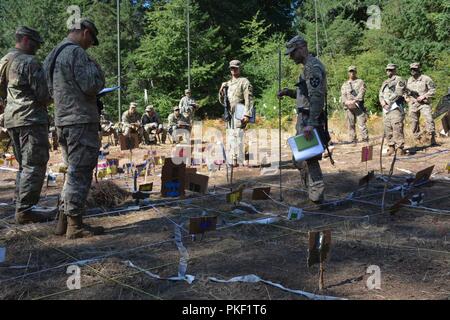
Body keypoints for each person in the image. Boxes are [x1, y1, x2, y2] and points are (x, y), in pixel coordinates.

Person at [44, 18, 105, 239]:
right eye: (91, 40)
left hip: (62, 120)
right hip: (80, 120)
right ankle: (75, 225)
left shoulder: (53, 54)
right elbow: (91, 85)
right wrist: (97, 69)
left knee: (71, 172)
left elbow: (46, 89)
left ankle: (62, 223)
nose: (90, 45)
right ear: (86, 33)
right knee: (80, 173)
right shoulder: (76, 53)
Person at [0, 27, 52, 224]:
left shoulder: (4, 60)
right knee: (35, 164)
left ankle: (20, 203)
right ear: (27, 40)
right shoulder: (29, 62)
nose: (37, 49)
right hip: (30, 118)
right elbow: (43, 95)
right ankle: (25, 210)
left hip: (12, 118)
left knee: (24, 165)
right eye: (36, 44)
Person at [277, 36, 327, 204]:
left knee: (309, 156)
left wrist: (312, 123)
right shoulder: (306, 67)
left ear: (302, 48)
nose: (291, 57)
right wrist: (288, 92)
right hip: (304, 117)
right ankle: (311, 191)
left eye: (292, 53)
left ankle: (316, 196)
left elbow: (317, 96)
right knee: (299, 157)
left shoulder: (312, 67)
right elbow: (304, 94)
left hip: (309, 118)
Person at [218, 60, 254, 166]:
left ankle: (240, 158)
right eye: (231, 68)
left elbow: (249, 98)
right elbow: (222, 101)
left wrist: (247, 114)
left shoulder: (244, 81)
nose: (233, 70)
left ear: (239, 68)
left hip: (240, 110)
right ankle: (233, 158)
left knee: (238, 134)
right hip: (229, 112)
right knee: (230, 135)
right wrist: (220, 92)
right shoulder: (227, 84)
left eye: (235, 68)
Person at [405, 62, 437, 146]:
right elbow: (406, 91)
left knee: (429, 119)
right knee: (414, 122)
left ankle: (432, 138)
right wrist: (406, 97)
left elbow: (433, 90)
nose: (413, 71)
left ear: (419, 69)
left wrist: (424, 96)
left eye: (415, 69)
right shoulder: (409, 80)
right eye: (411, 69)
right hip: (413, 103)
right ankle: (417, 139)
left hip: (424, 103)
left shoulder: (426, 79)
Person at [379, 64, 407, 156]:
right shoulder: (385, 82)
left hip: (396, 107)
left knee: (397, 128)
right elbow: (380, 94)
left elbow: (398, 92)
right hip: (386, 109)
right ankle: (391, 147)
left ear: (395, 70)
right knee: (388, 128)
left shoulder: (399, 79)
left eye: (391, 70)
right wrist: (383, 103)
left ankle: (400, 149)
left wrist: (388, 102)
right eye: (387, 70)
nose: (389, 72)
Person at [340, 66, 368, 144]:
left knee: (361, 123)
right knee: (350, 124)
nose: (351, 73)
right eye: (350, 71)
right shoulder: (345, 84)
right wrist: (346, 102)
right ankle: (352, 139)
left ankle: (365, 139)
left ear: (356, 72)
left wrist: (355, 100)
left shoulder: (360, 82)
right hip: (348, 107)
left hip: (358, 106)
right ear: (348, 73)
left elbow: (362, 92)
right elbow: (343, 95)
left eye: (353, 71)